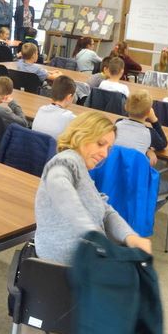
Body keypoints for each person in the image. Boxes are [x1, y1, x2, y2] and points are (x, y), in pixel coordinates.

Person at [34, 110, 152, 265]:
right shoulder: (66, 161)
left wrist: (130, 237)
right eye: (100, 144)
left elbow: (105, 211)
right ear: (81, 136)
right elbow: (60, 187)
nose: (104, 154)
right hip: (68, 266)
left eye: (108, 148)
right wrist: (93, 233)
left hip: (84, 260)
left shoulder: (82, 170)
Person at [115, 90, 168, 166]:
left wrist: (147, 149)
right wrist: (154, 120)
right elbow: (163, 144)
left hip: (113, 167)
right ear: (149, 112)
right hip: (134, 171)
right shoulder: (150, 134)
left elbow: (128, 141)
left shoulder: (118, 124)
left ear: (125, 107)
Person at [32, 75, 76, 139]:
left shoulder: (41, 109)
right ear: (69, 97)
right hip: (55, 145)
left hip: (36, 144)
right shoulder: (70, 117)